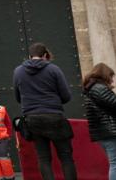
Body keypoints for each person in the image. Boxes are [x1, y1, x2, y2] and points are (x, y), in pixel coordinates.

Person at [14, 42, 78, 180]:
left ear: (30, 56)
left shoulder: (18, 71)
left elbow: (18, 97)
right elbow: (66, 96)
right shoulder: (54, 69)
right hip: (54, 116)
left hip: (32, 118)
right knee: (66, 157)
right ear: (44, 55)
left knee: (43, 158)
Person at [84, 63, 116, 180]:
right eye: (111, 76)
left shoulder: (92, 88)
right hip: (110, 131)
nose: (111, 80)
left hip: (105, 132)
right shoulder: (99, 88)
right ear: (105, 75)